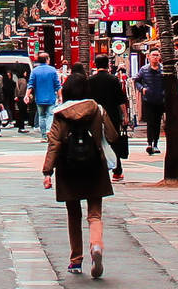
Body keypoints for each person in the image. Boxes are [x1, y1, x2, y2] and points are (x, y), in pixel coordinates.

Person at [44, 72, 120, 277]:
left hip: (68, 168)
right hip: (95, 165)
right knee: (94, 214)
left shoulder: (60, 113)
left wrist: (47, 171)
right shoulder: (97, 109)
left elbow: (54, 143)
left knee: (73, 214)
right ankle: (96, 245)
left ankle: (75, 260)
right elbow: (112, 135)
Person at [89, 56, 130, 182]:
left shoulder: (90, 80)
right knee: (113, 141)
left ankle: (98, 170)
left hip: (95, 115)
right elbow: (121, 100)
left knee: (96, 141)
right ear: (108, 65)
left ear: (95, 64)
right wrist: (126, 116)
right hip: (112, 115)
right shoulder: (113, 80)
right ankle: (117, 171)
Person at [136, 50, 169, 155]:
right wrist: (142, 89)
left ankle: (155, 143)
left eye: (157, 55)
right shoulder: (144, 69)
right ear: (148, 57)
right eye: (153, 55)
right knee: (150, 122)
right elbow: (137, 80)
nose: (155, 57)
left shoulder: (163, 70)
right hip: (148, 100)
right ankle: (150, 143)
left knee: (157, 122)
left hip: (160, 100)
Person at [27, 52, 62, 135]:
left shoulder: (35, 71)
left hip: (39, 98)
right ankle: (48, 130)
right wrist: (60, 96)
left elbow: (30, 84)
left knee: (41, 116)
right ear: (47, 60)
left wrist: (27, 95)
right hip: (51, 98)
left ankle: (43, 135)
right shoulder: (53, 70)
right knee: (50, 115)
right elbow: (58, 85)